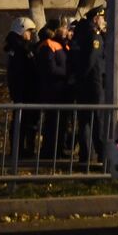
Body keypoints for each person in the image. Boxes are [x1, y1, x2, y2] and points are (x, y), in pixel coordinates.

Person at [69, 5, 109, 163]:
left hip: (81, 83)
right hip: (94, 82)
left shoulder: (79, 33)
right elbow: (93, 59)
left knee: (84, 119)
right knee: (98, 118)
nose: (104, 21)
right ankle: (102, 153)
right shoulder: (94, 35)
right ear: (95, 18)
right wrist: (84, 76)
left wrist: (78, 77)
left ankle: (85, 154)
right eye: (102, 17)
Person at [34, 18, 70, 160]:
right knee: (52, 123)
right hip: (53, 90)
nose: (66, 31)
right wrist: (67, 72)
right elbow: (50, 68)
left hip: (61, 90)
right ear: (56, 29)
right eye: (64, 28)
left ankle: (59, 150)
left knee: (61, 123)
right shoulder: (48, 45)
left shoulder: (61, 44)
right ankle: (49, 151)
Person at [4, 16, 39, 158]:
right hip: (24, 90)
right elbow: (23, 71)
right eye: (29, 31)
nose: (30, 35)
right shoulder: (20, 49)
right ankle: (20, 150)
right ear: (22, 30)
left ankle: (19, 149)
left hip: (21, 90)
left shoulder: (15, 47)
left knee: (22, 120)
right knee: (22, 121)